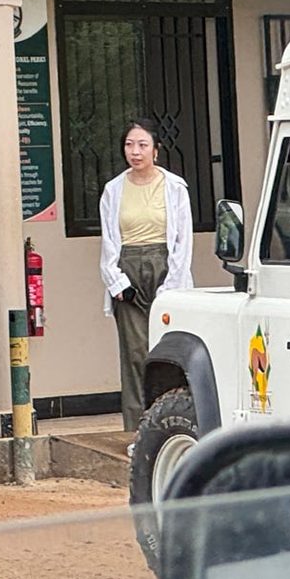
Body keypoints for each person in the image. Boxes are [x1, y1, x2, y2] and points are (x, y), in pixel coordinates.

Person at [98, 119, 193, 431]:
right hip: (129, 271)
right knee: (136, 353)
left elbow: (182, 241)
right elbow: (109, 240)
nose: (135, 152)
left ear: (156, 149)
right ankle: (138, 430)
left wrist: (172, 284)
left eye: (142, 145)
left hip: (165, 266)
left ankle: (171, 423)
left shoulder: (175, 187)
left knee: (168, 348)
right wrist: (116, 281)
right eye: (129, 145)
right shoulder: (113, 189)